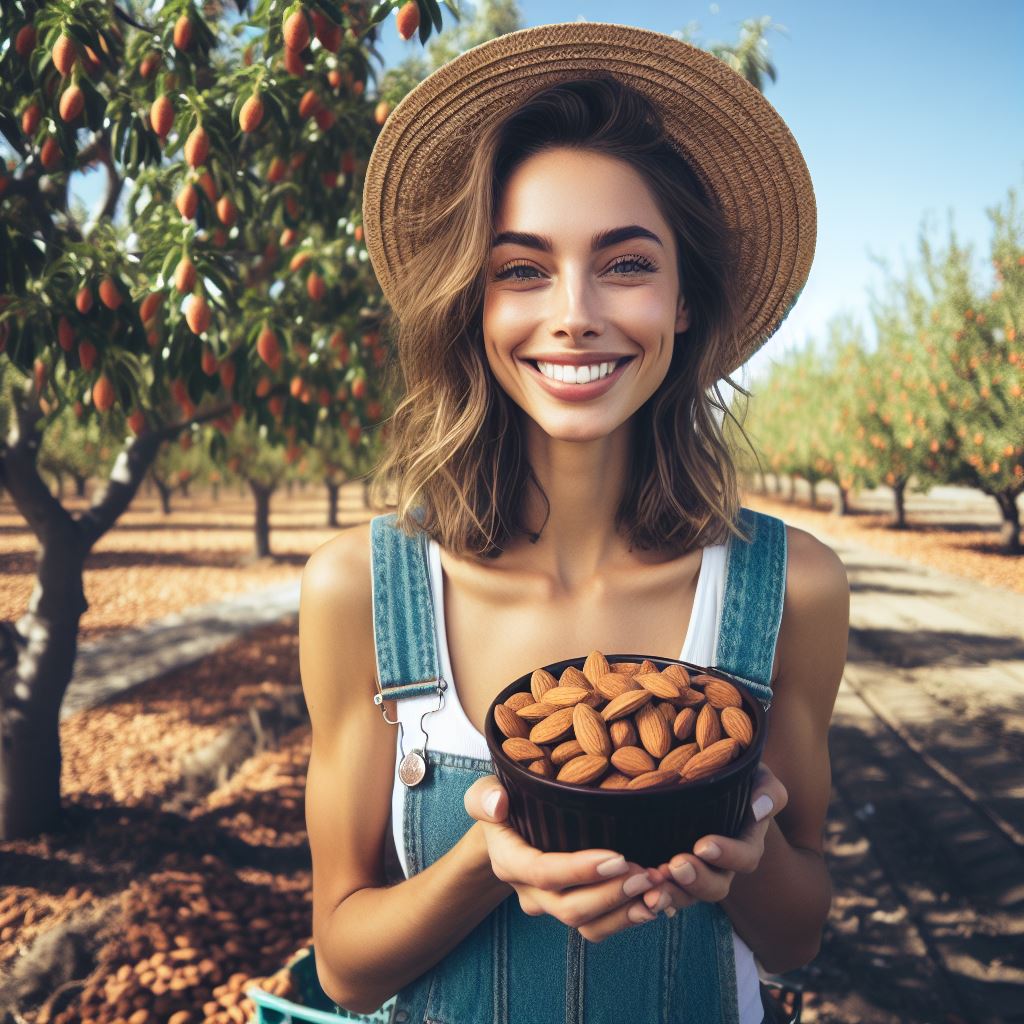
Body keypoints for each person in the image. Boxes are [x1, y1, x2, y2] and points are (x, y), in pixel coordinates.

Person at [299, 21, 848, 1024]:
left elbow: (798, 933)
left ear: (684, 299)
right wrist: (488, 862)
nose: (574, 312)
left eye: (627, 264)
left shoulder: (791, 586)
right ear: (474, 302)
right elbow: (344, 963)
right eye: (521, 268)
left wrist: (749, 858)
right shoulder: (359, 588)